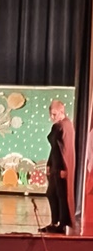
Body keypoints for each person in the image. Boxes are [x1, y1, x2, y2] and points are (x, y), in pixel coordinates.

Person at [40, 100, 76, 234]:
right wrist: (49, 164)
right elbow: (55, 148)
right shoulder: (59, 126)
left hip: (61, 167)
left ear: (62, 112)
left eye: (54, 114)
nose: (52, 117)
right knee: (51, 193)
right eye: (51, 114)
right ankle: (55, 222)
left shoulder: (64, 126)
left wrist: (64, 169)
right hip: (56, 165)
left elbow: (65, 149)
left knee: (61, 194)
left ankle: (62, 224)